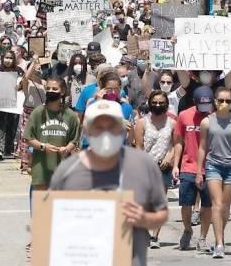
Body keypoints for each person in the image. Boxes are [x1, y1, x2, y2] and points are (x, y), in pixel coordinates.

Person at [50, 99, 169, 266]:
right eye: (98, 127)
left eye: (111, 126)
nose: (105, 133)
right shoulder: (67, 171)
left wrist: (144, 219)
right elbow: (51, 223)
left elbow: (161, 213)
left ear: (122, 128)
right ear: (86, 130)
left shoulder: (143, 165)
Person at [195, 87, 231, 259]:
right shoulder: (207, 122)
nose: (224, 104)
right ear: (215, 101)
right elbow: (202, 147)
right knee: (216, 204)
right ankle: (219, 243)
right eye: (221, 100)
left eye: (228, 101)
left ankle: (219, 236)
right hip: (213, 165)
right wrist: (198, 171)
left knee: (224, 207)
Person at [173, 86, 215, 252]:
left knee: (207, 205)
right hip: (188, 166)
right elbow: (178, 141)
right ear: (195, 102)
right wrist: (176, 165)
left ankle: (203, 238)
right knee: (186, 204)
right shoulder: (184, 115)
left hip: (211, 168)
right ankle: (188, 229)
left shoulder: (216, 117)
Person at [134, 90, 175, 249]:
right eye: (154, 102)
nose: (157, 105)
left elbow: (176, 144)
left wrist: (169, 157)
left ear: (166, 105)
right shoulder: (142, 123)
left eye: (161, 103)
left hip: (163, 166)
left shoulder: (172, 123)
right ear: (150, 104)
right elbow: (138, 146)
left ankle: (155, 237)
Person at [24, 77, 80, 190]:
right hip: (41, 164)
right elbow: (28, 138)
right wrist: (43, 146)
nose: (51, 91)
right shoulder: (38, 112)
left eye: (55, 89)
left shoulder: (70, 115)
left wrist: (67, 148)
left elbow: (75, 140)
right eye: (48, 88)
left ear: (62, 91)